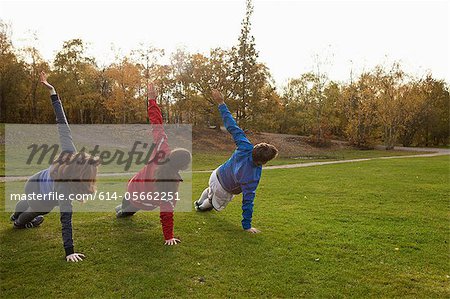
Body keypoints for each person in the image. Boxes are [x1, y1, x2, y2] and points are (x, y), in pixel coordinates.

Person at [10, 71, 100, 262]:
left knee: (26, 201)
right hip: (43, 198)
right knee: (35, 211)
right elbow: (65, 220)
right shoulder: (65, 189)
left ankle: (15, 214)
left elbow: (63, 126)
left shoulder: (70, 154)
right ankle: (18, 222)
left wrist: (53, 93)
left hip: (32, 181)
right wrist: (69, 251)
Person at [115, 83, 191, 246]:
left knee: (127, 201)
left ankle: (122, 209)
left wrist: (152, 100)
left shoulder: (162, 150)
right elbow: (167, 211)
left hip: (133, 188)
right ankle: (123, 211)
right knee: (127, 210)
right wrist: (168, 236)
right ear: (182, 167)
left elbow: (157, 126)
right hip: (143, 202)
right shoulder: (171, 183)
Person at [194, 89, 278, 233]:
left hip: (216, 174)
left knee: (210, 190)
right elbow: (248, 201)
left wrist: (221, 103)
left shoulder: (245, 146)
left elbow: (231, 125)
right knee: (211, 204)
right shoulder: (253, 176)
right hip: (224, 189)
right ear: (264, 162)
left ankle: (200, 200)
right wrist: (247, 226)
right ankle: (199, 206)